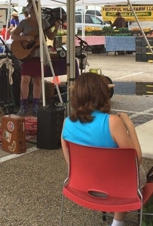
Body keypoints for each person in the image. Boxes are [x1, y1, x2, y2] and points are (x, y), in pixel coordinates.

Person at [61, 72, 145, 226]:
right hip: (115, 188)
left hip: (82, 185)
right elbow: (136, 159)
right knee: (138, 173)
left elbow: (70, 162)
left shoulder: (67, 123)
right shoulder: (112, 122)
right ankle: (118, 222)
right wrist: (129, 125)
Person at [10, 0, 61, 116]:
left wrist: (56, 28)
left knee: (37, 80)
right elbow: (13, 35)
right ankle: (23, 106)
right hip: (27, 55)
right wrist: (25, 38)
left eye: (39, 8)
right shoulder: (24, 23)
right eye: (35, 8)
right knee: (25, 80)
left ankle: (36, 106)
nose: (38, 10)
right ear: (31, 10)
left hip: (39, 54)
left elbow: (51, 37)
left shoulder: (44, 22)